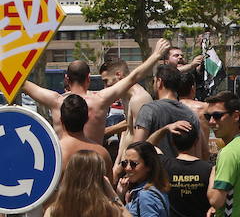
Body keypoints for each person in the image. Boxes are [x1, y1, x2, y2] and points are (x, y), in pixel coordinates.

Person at [23, 38, 169, 145]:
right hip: (95, 164)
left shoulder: (56, 101)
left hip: (65, 165)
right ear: (88, 78)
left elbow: (22, 84)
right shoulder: (100, 99)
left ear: (66, 79)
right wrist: (156, 55)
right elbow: (133, 77)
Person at [133, 64, 202, 159]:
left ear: (159, 82)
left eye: (154, 81)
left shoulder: (148, 110)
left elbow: (136, 149)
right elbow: (197, 154)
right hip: (180, 172)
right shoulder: (191, 114)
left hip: (155, 172)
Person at [99, 56, 154, 167]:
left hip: (137, 165)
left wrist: (123, 166)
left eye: (106, 81)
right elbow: (128, 130)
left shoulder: (139, 99)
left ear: (119, 75)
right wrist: (118, 163)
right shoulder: (125, 97)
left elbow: (140, 141)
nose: (105, 87)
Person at [58, 94, 114, 181]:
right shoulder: (102, 154)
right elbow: (109, 189)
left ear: (61, 120)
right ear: (87, 119)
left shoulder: (54, 154)